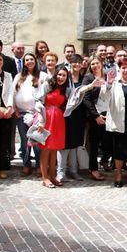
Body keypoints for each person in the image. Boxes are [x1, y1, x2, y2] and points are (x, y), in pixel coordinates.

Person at [35, 66, 99, 188]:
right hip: (47, 118)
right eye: (59, 75)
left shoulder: (66, 90)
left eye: (64, 75)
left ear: (67, 77)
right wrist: (40, 118)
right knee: (46, 150)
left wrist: (90, 86)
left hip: (59, 120)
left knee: (54, 150)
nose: (61, 77)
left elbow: (77, 92)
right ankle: (45, 178)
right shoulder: (47, 86)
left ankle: (53, 176)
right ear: (55, 75)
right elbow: (38, 100)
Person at [100, 58, 127, 187]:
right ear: (119, 69)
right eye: (123, 68)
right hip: (118, 121)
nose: (125, 70)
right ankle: (118, 173)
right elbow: (103, 97)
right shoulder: (114, 83)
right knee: (118, 150)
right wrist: (108, 83)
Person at [12, 52, 47, 176]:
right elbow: (13, 93)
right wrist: (14, 108)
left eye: (31, 59)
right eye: (27, 60)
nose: (29, 62)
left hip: (37, 114)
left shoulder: (42, 76)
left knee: (36, 140)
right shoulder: (18, 76)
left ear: (35, 61)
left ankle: (38, 165)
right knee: (24, 140)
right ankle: (26, 164)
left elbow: (46, 94)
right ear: (24, 62)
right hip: (20, 114)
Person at [56, 54, 88, 182]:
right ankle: (61, 172)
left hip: (79, 115)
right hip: (65, 114)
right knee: (64, 144)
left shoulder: (83, 78)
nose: (77, 65)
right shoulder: (65, 77)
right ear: (70, 63)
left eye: (79, 62)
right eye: (74, 62)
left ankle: (74, 171)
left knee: (75, 143)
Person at [82, 55, 110, 180]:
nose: (95, 66)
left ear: (101, 64)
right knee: (94, 144)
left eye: (97, 63)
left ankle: (104, 161)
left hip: (108, 114)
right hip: (95, 116)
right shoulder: (88, 78)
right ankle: (93, 169)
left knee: (108, 142)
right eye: (92, 64)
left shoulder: (107, 77)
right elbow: (86, 98)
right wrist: (96, 116)